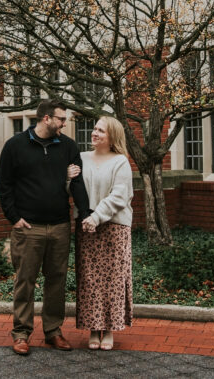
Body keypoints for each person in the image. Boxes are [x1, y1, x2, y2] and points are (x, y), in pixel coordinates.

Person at [0, 99, 90, 356]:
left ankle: (53, 331)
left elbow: (78, 182)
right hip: (29, 228)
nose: (65, 122)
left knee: (57, 281)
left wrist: (84, 213)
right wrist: (14, 218)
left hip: (60, 225)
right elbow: (4, 186)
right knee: (25, 281)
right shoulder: (15, 146)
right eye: (61, 118)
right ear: (46, 118)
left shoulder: (69, 146)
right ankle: (21, 334)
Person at [68, 115, 133, 351]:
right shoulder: (81, 159)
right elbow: (72, 188)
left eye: (100, 130)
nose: (94, 133)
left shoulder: (120, 162)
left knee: (112, 280)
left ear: (112, 136)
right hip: (86, 227)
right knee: (90, 281)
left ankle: (109, 330)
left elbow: (119, 196)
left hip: (113, 227)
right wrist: (67, 177)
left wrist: (96, 216)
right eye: (94, 128)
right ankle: (93, 329)